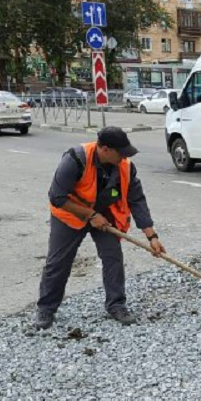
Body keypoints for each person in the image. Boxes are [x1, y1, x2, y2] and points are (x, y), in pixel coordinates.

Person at [33, 127, 166, 329]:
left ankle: (116, 305)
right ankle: (46, 308)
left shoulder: (125, 167)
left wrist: (152, 236)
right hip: (70, 214)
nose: (124, 157)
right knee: (58, 262)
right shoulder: (75, 159)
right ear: (105, 149)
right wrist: (90, 215)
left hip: (104, 214)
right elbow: (57, 196)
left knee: (113, 257)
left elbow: (136, 200)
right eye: (120, 153)